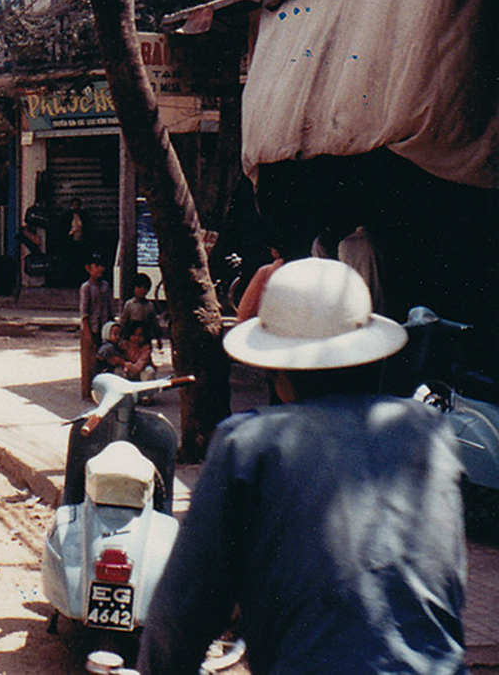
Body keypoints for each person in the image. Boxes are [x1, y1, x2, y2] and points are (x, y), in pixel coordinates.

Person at [138, 258, 466, 675]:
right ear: (371, 357)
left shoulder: (248, 445)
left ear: (279, 373)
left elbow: (183, 612)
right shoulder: (430, 434)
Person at [78, 253, 112, 400]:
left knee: (102, 361)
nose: (100, 269)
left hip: (104, 329)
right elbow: (84, 313)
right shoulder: (86, 287)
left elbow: (109, 308)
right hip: (90, 329)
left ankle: (100, 392)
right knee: (89, 363)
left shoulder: (105, 286)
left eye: (101, 266)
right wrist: (87, 333)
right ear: (88, 268)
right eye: (96, 266)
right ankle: (87, 393)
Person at [120, 272, 163, 349]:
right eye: (139, 287)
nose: (142, 290)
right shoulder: (130, 304)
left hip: (145, 336)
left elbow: (154, 323)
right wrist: (121, 338)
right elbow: (124, 322)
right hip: (132, 336)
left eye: (145, 288)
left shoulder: (150, 306)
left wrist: (158, 339)